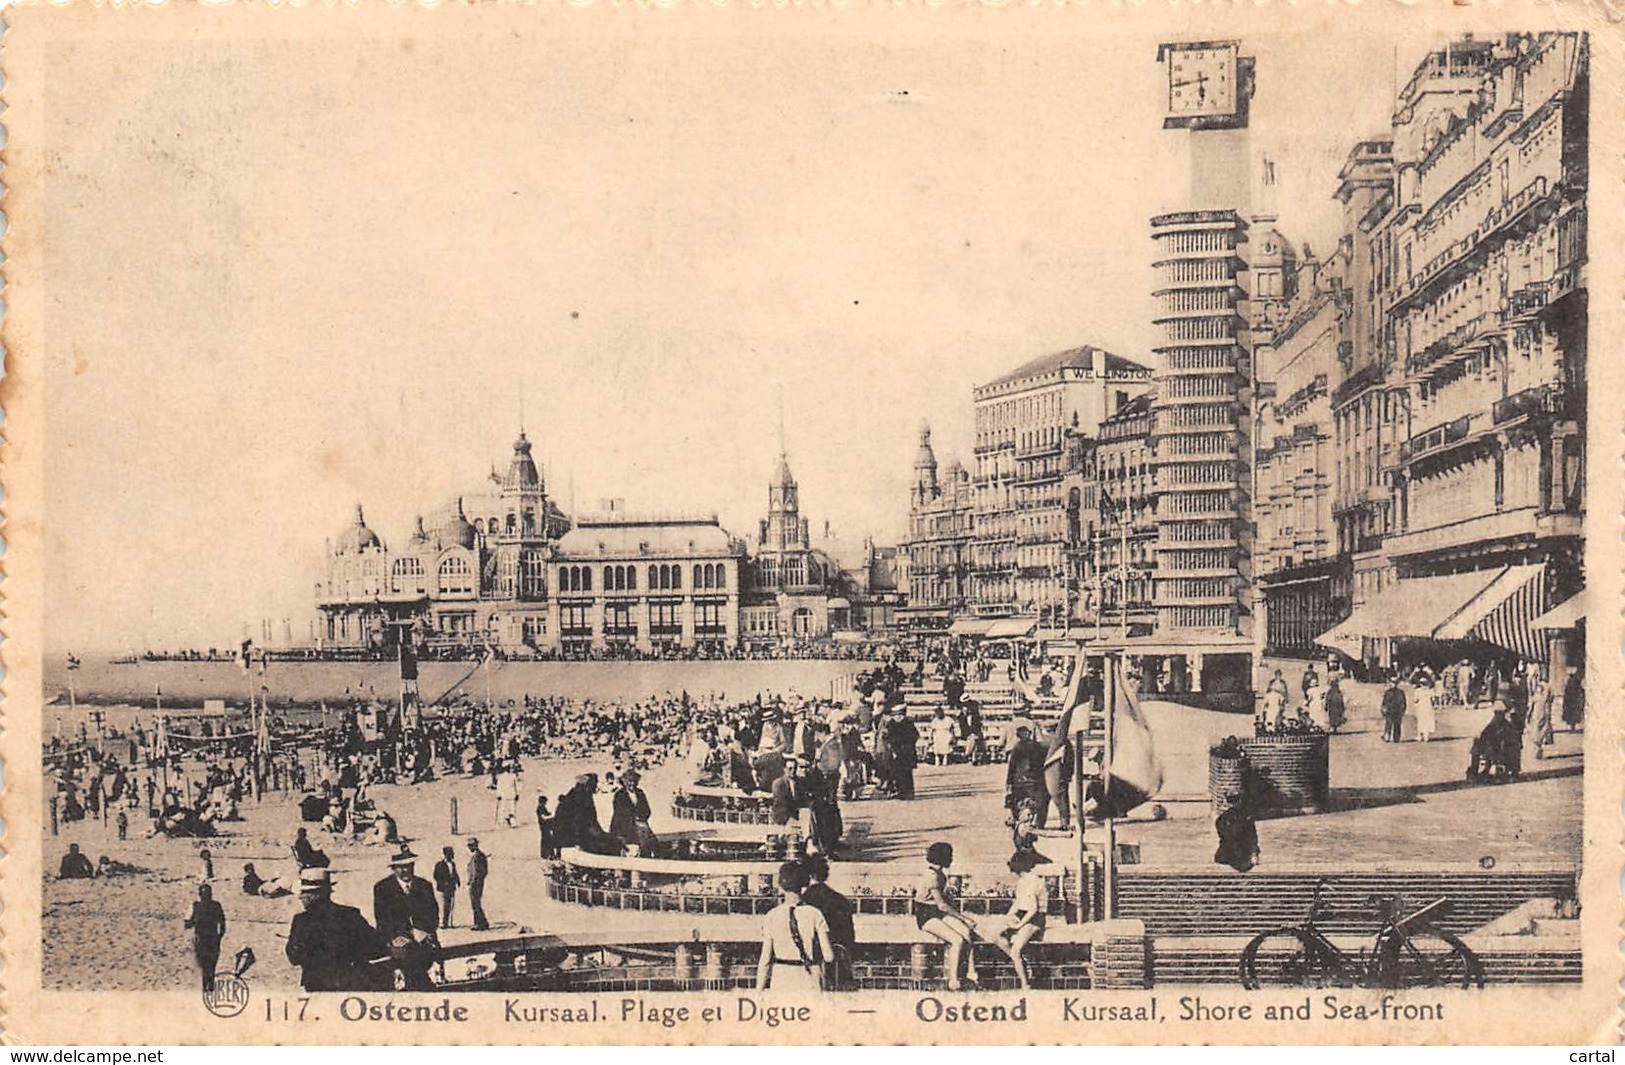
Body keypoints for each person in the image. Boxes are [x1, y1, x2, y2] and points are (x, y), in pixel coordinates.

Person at [286, 868, 385, 992]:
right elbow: (374, 947)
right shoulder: (350, 915)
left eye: (305, 893)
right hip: (351, 981)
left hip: (316, 983)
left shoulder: (301, 921)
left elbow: (293, 956)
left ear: (316, 895)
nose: (301, 897)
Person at [755, 861, 834, 993]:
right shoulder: (815, 913)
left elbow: (765, 959)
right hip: (808, 979)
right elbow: (829, 956)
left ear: (781, 884)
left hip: (782, 979)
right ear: (805, 883)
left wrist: (759, 990)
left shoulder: (772, 916)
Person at [914, 842, 979, 991]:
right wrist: (964, 917)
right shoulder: (932, 876)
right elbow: (941, 905)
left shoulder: (940, 874)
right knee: (956, 940)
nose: (952, 859)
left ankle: (971, 972)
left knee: (966, 931)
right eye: (950, 856)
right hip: (926, 915)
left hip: (936, 912)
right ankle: (953, 980)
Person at [372, 848, 439, 990]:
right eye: (401, 867)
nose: (406, 871)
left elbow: (433, 915)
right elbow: (383, 920)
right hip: (396, 941)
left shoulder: (424, 886)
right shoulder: (382, 888)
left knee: (430, 968)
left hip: (424, 940)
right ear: (393, 869)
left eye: (409, 866)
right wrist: (402, 935)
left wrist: (424, 931)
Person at [993, 849, 1050, 989]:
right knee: (996, 936)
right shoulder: (1022, 881)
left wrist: (1018, 926)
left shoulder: (1033, 881)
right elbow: (1018, 903)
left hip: (1035, 919)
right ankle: (1022, 962)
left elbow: (1033, 909)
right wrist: (1009, 916)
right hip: (1023, 916)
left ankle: (1025, 985)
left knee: (1015, 950)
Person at [799, 854, 855, 990]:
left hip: (810, 966)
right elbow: (849, 938)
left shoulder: (803, 902)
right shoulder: (840, 899)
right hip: (838, 966)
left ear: (808, 875)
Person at [184, 883, 227, 993]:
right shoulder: (215, 905)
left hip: (203, 938)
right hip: (210, 938)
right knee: (210, 963)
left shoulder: (197, 906)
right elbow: (222, 923)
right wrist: (219, 936)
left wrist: (187, 922)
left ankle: (206, 986)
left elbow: (189, 923)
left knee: (205, 964)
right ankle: (209, 985)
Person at [1005, 724, 1047, 834]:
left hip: (1020, 779)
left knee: (1016, 801)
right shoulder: (1038, 746)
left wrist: (1009, 781)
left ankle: (1017, 819)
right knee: (1040, 802)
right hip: (1035, 778)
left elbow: (1012, 766)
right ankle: (1039, 823)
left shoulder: (1017, 747)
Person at [609, 770, 656, 853]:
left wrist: (640, 818)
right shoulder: (619, 795)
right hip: (622, 826)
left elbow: (647, 810)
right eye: (630, 781)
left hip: (639, 824)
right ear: (624, 782)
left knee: (651, 841)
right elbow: (620, 813)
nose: (632, 784)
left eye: (634, 781)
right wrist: (633, 819)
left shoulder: (640, 793)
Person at [1214, 791, 1260, 872]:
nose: (1233, 804)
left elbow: (1252, 837)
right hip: (1230, 854)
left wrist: (1254, 853)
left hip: (1243, 854)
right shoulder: (1223, 820)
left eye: (1234, 801)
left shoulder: (1246, 818)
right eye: (1231, 801)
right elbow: (1226, 837)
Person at [432, 846, 460, 928]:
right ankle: (443, 923)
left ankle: (450, 923)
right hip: (442, 889)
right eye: (450, 854)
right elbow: (436, 876)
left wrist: (458, 881)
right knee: (443, 905)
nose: (452, 855)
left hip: (451, 887)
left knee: (451, 905)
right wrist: (444, 882)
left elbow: (455, 873)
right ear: (445, 855)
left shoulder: (453, 864)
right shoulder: (439, 864)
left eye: (452, 853)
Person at [466, 837, 490, 932]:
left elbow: (479, 871)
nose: (469, 848)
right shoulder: (478, 855)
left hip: (476, 883)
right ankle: (481, 922)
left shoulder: (478, 856)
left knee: (475, 903)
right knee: (476, 903)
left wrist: (474, 881)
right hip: (476, 882)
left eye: (470, 846)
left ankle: (480, 923)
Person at [1380, 675, 1408, 743]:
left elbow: (1403, 702)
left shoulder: (1395, 692)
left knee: (1394, 724)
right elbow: (1384, 702)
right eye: (1392, 683)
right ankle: (1391, 737)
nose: (1393, 684)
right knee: (1392, 724)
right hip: (1392, 710)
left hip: (1394, 710)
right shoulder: (1392, 692)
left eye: (1394, 683)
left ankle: (1392, 737)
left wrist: (1403, 709)